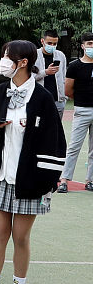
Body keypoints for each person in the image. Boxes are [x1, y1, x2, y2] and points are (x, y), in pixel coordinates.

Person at [0, 40, 65, 284]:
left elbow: (55, 142)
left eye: (7, 56)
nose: (3, 60)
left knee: (22, 237)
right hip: (1, 175)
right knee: (0, 233)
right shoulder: (0, 92)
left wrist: (48, 182)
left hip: (30, 179)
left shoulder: (42, 98)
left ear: (23, 62)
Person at [58, 32, 93, 194]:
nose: (92, 47)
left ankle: (90, 180)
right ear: (83, 46)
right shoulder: (75, 66)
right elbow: (68, 90)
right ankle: (64, 180)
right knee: (74, 146)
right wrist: (81, 100)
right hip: (82, 110)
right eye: (89, 44)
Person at [36, 29, 66, 117]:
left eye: (55, 44)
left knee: (57, 128)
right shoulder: (34, 55)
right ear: (42, 41)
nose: (52, 46)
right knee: (40, 128)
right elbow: (29, 77)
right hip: (40, 100)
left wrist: (64, 97)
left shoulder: (60, 55)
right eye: (49, 43)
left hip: (58, 101)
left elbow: (64, 77)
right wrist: (45, 72)